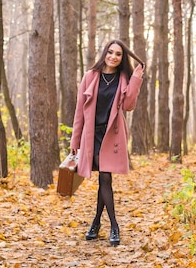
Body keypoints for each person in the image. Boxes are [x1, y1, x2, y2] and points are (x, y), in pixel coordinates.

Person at [70, 39, 145, 247]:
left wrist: (136, 79)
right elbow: (79, 111)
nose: (113, 56)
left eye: (118, 54)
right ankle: (105, 224)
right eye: (110, 52)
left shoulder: (123, 78)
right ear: (105, 53)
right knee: (104, 178)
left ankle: (107, 225)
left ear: (122, 59)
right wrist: (75, 139)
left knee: (105, 177)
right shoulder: (90, 77)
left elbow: (129, 106)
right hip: (91, 135)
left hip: (111, 135)